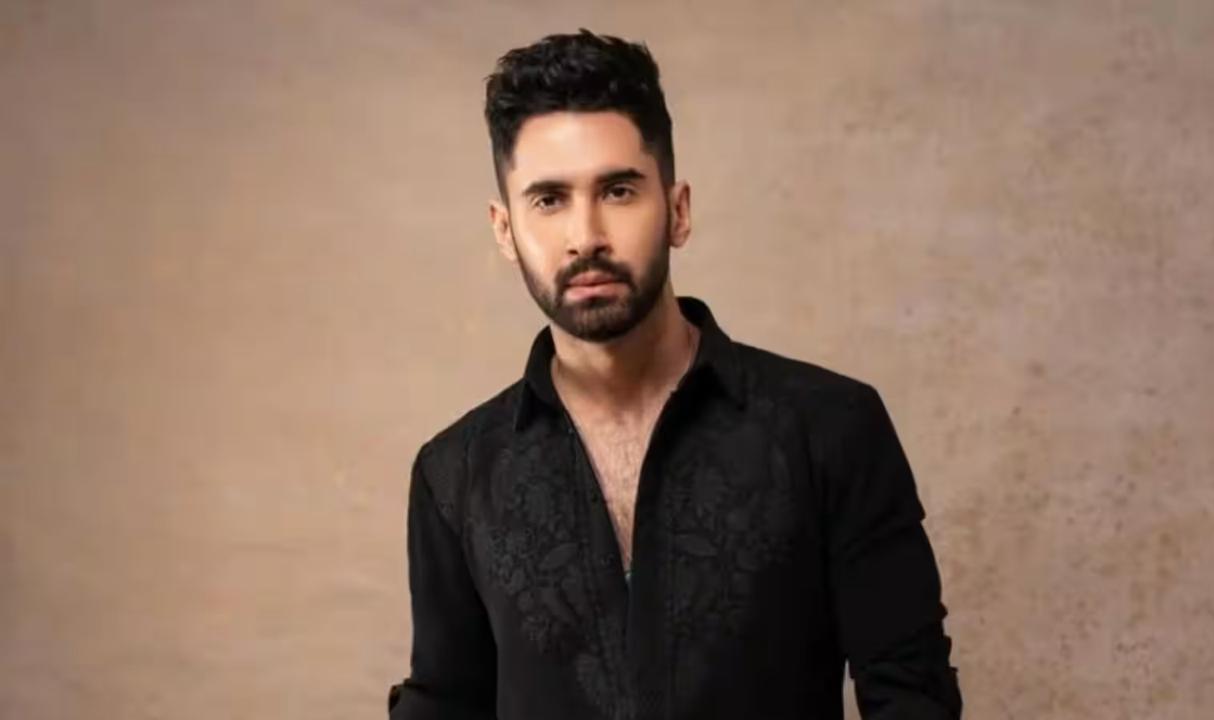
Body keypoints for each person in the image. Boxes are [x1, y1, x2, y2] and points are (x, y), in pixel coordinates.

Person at [388, 29, 962, 720]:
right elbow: (444, 703)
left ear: (678, 210)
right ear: (505, 229)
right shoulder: (454, 475)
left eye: (618, 190)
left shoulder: (830, 429)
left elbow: (912, 694)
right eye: (548, 200)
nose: (586, 236)